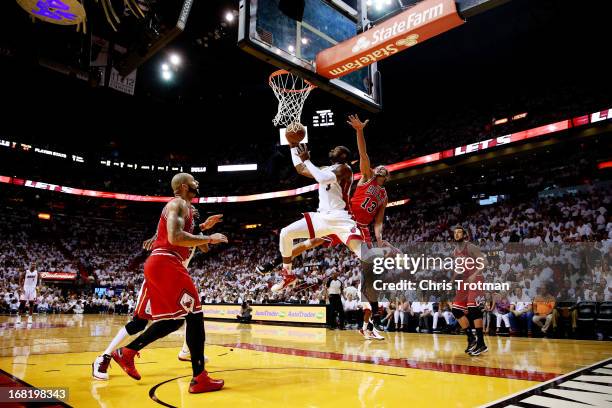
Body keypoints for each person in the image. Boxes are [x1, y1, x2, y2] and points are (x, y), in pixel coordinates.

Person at [108, 173, 228, 394]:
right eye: (193, 181)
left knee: (174, 321)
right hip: (166, 262)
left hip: (162, 263)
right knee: (195, 315)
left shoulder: (185, 209)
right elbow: (174, 238)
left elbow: (197, 245)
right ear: (183, 186)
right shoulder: (177, 203)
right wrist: (209, 237)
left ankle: (128, 352)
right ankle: (199, 378)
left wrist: (203, 228)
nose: (197, 184)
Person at [92, 214, 221, 380]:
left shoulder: (193, 234)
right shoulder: (174, 229)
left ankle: (186, 351)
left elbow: (204, 248)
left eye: (195, 215)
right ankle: (103, 357)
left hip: (175, 280)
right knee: (139, 323)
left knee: (186, 316)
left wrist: (202, 229)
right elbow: (166, 234)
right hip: (159, 278)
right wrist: (203, 230)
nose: (192, 215)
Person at [450, 226, 488, 356]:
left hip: (476, 278)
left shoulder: (471, 247)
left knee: (473, 309)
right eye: (455, 233)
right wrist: (452, 280)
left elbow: (485, 262)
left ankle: (481, 343)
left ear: (464, 234)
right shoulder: (455, 251)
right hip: (465, 280)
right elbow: (459, 268)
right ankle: (471, 339)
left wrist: (474, 274)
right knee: (456, 309)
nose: (457, 234)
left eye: (459, 232)